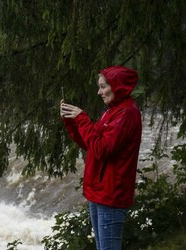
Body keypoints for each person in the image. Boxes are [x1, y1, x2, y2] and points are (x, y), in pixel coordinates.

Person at [60, 65, 142, 250]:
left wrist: (82, 118)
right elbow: (90, 143)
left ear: (118, 86)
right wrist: (71, 122)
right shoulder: (112, 112)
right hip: (99, 193)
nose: (99, 92)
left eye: (103, 86)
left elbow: (102, 149)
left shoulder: (127, 113)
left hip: (111, 195)